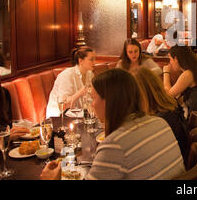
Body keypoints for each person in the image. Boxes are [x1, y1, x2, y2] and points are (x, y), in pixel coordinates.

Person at [41, 68, 185, 180]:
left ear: (109, 101)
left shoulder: (115, 145)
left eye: (93, 98)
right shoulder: (159, 123)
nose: (92, 104)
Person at [133, 67, 189, 165]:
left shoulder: (161, 119)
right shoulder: (167, 103)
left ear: (142, 93)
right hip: (179, 155)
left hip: (174, 163)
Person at [163, 45, 197, 117]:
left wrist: (166, 73)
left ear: (176, 59)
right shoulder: (194, 69)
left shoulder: (188, 74)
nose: (170, 63)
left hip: (195, 115)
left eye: (170, 59)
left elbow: (169, 95)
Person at [46, 47, 96, 118]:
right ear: (80, 61)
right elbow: (63, 105)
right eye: (91, 60)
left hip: (78, 114)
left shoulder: (90, 74)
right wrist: (81, 92)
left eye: (95, 59)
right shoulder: (67, 75)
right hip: (59, 117)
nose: (94, 62)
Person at [0, 64, 29, 147]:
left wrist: (15, 131)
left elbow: (6, 128)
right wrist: (5, 138)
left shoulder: (3, 94)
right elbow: (5, 136)